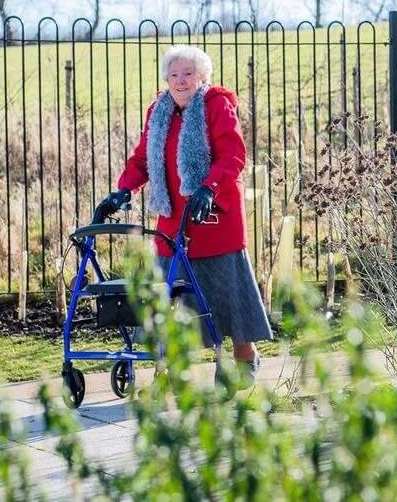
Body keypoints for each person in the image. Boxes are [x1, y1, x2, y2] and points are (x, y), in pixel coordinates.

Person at [98, 45, 272, 387]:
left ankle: (244, 355)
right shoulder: (158, 112)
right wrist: (123, 190)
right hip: (172, 221)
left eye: (188, 74)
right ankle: (169, 365)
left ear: (203, 77)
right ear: (166, 79)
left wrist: (209, 187)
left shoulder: (216, 105)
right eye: (174, 74)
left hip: (213, 218)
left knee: (226, 293)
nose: (181, 81)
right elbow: (143, 160)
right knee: (170, 295)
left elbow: (234, 155)